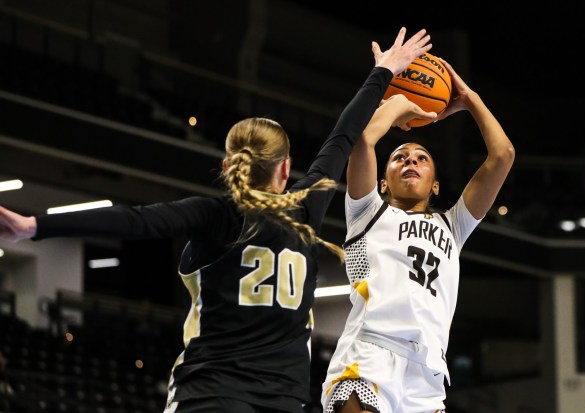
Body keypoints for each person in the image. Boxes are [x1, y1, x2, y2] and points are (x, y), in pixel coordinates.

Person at [0, 27, 437, 413]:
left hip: (211, 392)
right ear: (286, 169)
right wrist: (382, 72)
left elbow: (132, 222)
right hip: (283, 399)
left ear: (230, 166)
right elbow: (342, 136)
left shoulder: (214, 215)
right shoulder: (307, 209)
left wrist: (34, 227)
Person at [320, 57, 515, 413]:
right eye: (399, 157)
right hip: (370, 354)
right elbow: (364, 140)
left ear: (436, 185)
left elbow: (502, 155)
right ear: (383, 181)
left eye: (421, 158)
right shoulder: (367, 211)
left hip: (428, 373)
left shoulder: (453, 226)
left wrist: (469, 99)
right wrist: (394, 108)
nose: (410, 161)